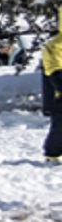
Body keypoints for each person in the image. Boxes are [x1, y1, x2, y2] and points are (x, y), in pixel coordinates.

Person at [43, 10, 62, 161]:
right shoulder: (54, 45)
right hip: (60, 94)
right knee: (59, 128)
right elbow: (54, 69)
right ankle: (52, 154)